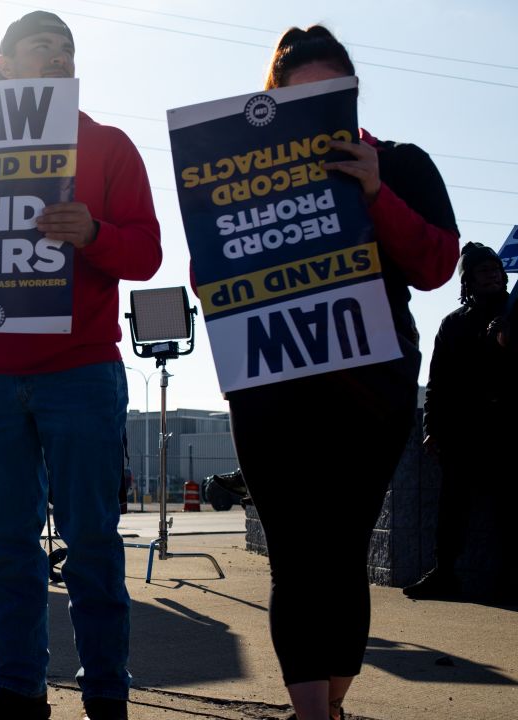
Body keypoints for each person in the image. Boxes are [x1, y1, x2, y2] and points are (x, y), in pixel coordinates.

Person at [0, 12, 162, 720]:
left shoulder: (109, 146)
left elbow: (146, 254)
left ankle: (105, 696)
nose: (57, 59)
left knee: (91, 540)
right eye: (41, 49)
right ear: (5, 64)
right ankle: (18, 690)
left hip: (82, 370)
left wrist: (92, 232)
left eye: (68, 50)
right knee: (8, 544)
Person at [225, 26, 459, 720]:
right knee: (294, 555)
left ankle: (330, 705)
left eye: (332, 94)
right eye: (301, 98)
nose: (318, 110)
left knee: (341, 552)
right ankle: (312, 715)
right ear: (273, 105)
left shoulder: (401, 163)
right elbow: (210, 276)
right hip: (270, 387)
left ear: (352, 96)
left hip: (369, 390)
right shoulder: (244, 174)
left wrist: (375, 192)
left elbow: (437, 264)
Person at [409, 242, 517, 600]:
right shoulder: (452, 324)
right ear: (467, 280)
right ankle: (444, 576)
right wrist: (431, 429)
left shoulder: (515, 315)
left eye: (495, 269)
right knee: (451, 508)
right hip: (463, 433)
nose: (491, 274)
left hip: (508, 430)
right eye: (482, 270)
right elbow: (438, 382)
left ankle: (511, 582)